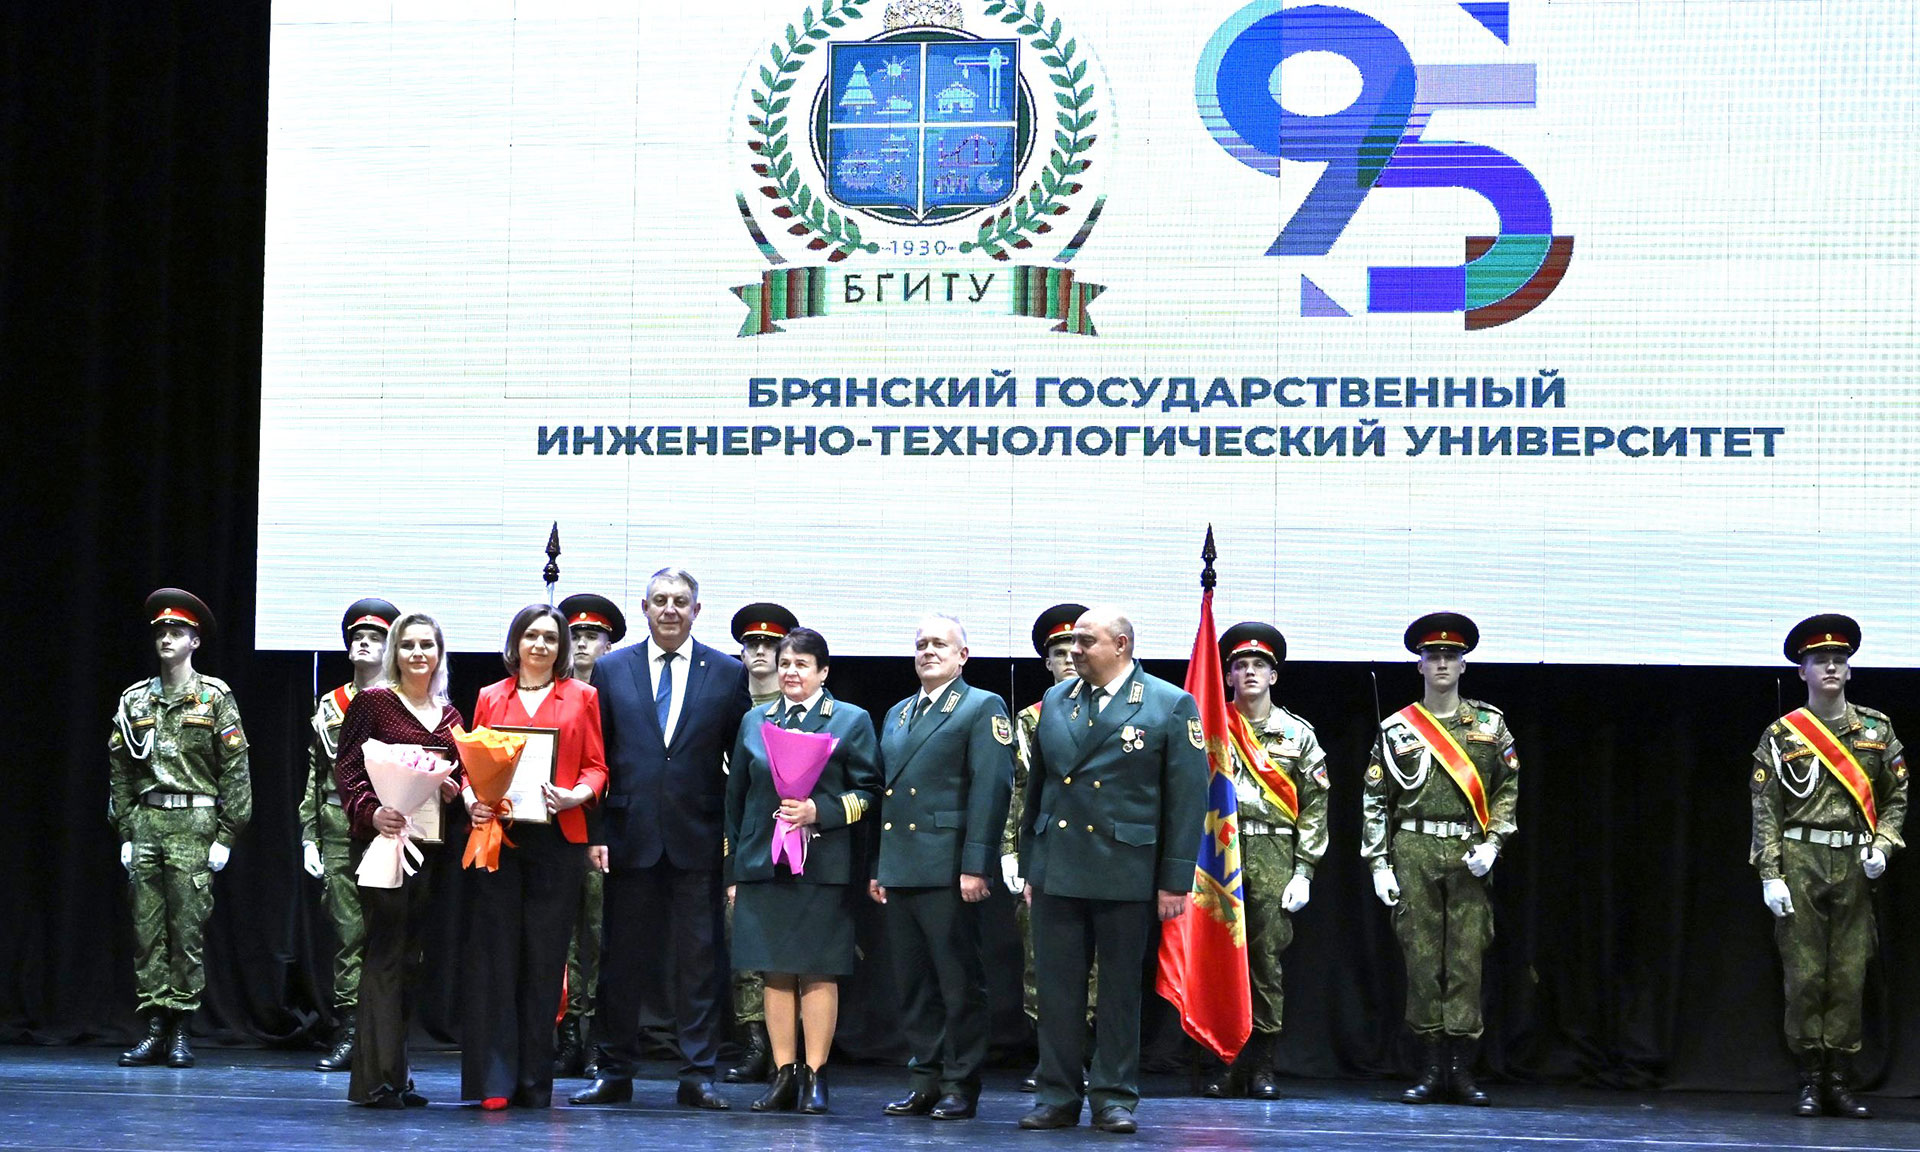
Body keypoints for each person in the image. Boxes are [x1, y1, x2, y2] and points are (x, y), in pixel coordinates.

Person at [1016, 606, 1208, 1135]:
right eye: (1073, 642)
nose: (1074, 650)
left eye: (1086, 641)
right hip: (1058, 864)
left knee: (1120, 991)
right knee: (1057, 991)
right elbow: (1040, 789)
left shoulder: (1168, 703)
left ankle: (1113, 1097)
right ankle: (1057, 1095)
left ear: (1121, 645)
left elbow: (1187, 798)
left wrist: (1175, 878)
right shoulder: (1057, 700)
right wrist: (1032, 864)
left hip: (1125, 866)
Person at [571, 568, 752, 1111]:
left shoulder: (727, 672)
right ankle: (614, 1071)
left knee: (699, 963)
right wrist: (595, 832)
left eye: (680, 601)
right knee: (620, 961)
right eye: (659, 600)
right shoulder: (611, 668)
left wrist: (738, 839)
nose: (669, 609)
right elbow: (595, 759)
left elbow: (743, 763)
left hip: (699, 836)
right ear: (645, 608)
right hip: (627, 837)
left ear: (697, 610)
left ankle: (698, 1074)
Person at [1752, 614, 1907, 1118]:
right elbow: (1766, 809)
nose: (1832, 667)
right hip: (1801, 858)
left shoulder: (1877, 729)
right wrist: (1770, 874)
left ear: (1850, 669)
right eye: (1820, 661)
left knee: (1848, 973)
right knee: (1803, 975)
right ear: (1803, 672)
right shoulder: (1782, 735)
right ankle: (1808, 1078)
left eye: (1840, 659)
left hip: (1857, 861)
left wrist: (1884, 845)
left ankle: (1838, 1078)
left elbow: (1897, 796)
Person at [1362, 612, 1518, 1107]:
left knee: (1467, 960)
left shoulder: (1490, 725)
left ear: (1464, 664)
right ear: (1420, 665)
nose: (1443, 663)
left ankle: (1461, 1069)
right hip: (1414, 847)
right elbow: (1375, 801)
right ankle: (1431, 1068)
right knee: (1422, 960)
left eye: (1451, 655)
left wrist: (1494, 843)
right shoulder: (1396, 729)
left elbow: (1507, 789)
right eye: (1433, 656)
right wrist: (1379, 864)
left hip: (1470, 849)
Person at [725, 626, 881, 1115]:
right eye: (785, 664)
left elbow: (870, 791)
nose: (791, 673)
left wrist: (820, 811)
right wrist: (733, 869)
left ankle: (815, 1074)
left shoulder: (850, 720)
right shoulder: (755, 720)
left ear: (823, 671)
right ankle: (783, 1073)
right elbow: (736, 799)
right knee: (773, 970)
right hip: (762, 862)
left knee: (817, 969)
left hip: (822, 864)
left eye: (802, 665)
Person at [461, 604, 609, 1109]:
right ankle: (497, 1081)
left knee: (545, 961)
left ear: (561, 647)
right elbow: (470, 766)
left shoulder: (583, 697)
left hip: (558, 841)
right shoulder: (490, 696)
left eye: (550, 637)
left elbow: (597, 768)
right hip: (500, 838)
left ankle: (533, 1081)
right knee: (498, 957)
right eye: (532, 636)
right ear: (516, 643)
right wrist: (471, 798)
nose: (541, 645)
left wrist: (575, 796)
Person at [871, 615, 1014, 1120]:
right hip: (903, 864)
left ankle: (960, 1082)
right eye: (921, 644)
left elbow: (991, 788)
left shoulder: (980, 706)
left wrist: (976, 864)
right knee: (913, 985)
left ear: (962, 656)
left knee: (957, 983)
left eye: (939, 644)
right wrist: (879, 865)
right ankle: (925, 1079)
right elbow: (886, 796)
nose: (928, 651)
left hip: (948, 865)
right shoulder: (898, 712)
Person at [109, 588, 252, 1069]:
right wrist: (125, 830)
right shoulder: (135, 699)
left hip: (194, 823)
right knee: (147, 930)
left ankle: (181, 1029)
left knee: (186, 930)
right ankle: (155, 1025)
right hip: (148, 821)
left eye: (178, 632)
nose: (167, 638)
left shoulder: (214, 697)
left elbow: (235, 770)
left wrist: (227, 835)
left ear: (195, 641)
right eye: (162, 632)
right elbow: (120, 769)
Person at [332, 611, 465, 1108]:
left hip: (431, 851)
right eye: (408, 644)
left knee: (412, 958)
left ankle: (398, 1075)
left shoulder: (450, 716)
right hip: (383, 845)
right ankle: (374, 1081)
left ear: (439, 653)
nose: (417, 653)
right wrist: (372, 812)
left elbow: (464, 775)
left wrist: (454, 788)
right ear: (395, 653)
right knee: (386, 954)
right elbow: (348, 770)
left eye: (426, 645)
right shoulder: (373, 702)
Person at [1203, 622, 1329, 1099]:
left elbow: (1315, 806)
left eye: (1259, 665)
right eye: (1240, 665)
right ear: (1228, 676)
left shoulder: (1297, 734)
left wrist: (1304, 870)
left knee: (1265, 962)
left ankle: (1262, 1065)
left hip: (1274, 851)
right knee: (1220, 957)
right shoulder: (1210, 725)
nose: (1250, 672)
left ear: (1274, 676)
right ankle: (1226, 1060)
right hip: (1219, 850)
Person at [300, 597, 399, 1072]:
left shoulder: (401, 702)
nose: (363, 643)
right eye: (357, 637)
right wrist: (309, 835)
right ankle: (349, 1032)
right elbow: (315, 774)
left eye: (375, 637)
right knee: (346, 932)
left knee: (386, 930)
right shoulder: (331, 705)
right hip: (338, 821)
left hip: (389, 824)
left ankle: (383, 1035)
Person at [1004, 603, 1092, 1091]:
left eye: (1076, 649)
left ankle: (1088, 1055)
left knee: (1095, 964)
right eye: (1059, 653)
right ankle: (1050, 1058)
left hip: (1096, 854)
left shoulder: (1114, 710)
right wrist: (1010, 852)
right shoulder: (1030, 720)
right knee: (1041, 959)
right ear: (1047, 662)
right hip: (1044, 853)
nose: (1069, 660)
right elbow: (1016, 791)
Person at [723, 601, 800, 1085]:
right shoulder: (730, 710)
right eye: (751, 643)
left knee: (790, 950)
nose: (759, 652)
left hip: (793, 839)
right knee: (743, 944)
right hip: (737, 840)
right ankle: (755, 1042)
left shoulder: (800, 709)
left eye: (771, 645)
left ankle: (788, 1051)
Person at [552, 591, 626, 1078]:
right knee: (563, 938)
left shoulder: (619, 694)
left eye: (592, 635)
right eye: (574, 634)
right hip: (558, 830)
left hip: (603, 833)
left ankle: (598, 1036)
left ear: (609, 645)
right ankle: (567, 1037)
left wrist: (604, 830)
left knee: (599, 937)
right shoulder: (554, 694)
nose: (581, 643)